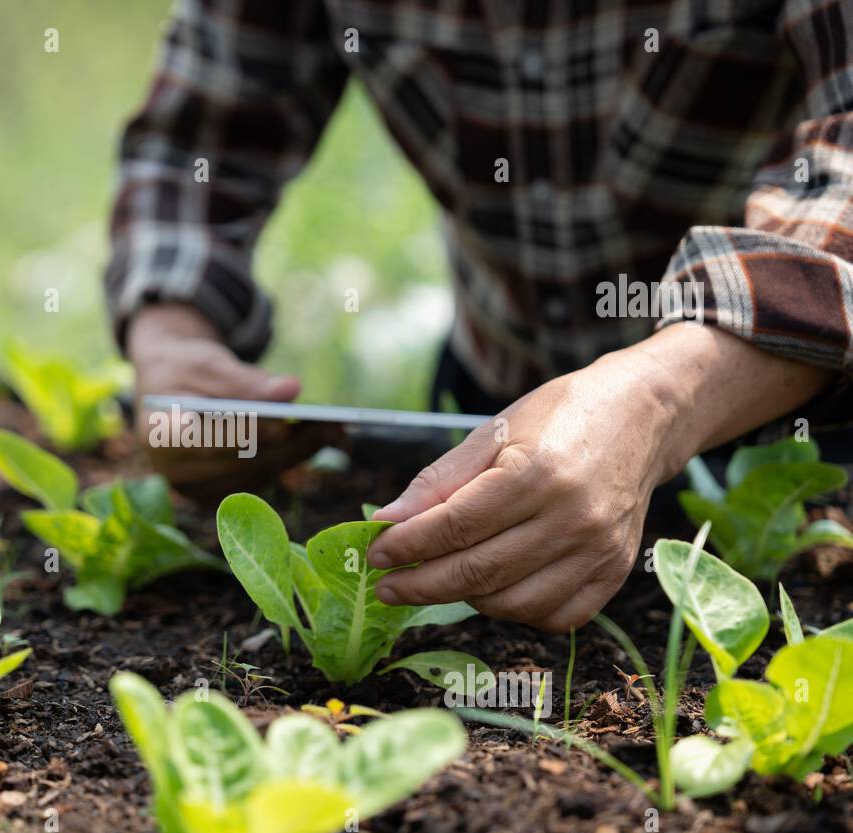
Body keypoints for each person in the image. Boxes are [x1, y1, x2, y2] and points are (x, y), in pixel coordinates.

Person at [104, 1, 852, 634]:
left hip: (784, 422)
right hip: (483, 410)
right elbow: (196, 145)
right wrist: (173, 338)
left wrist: (660, 396)